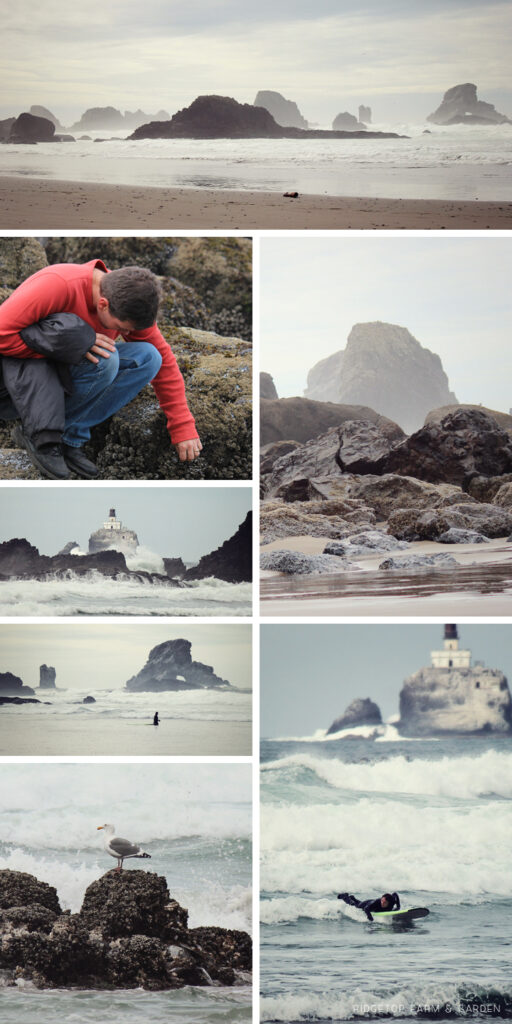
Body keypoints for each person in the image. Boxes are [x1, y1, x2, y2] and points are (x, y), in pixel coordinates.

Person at [0, 259, 202, 479]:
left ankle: (67, 437)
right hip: (17, 386)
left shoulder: (130, 298)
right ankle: (42, 434)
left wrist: (182, 426)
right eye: (121, 328)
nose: (124, 333)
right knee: (107, 360)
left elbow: (165, 361)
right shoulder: (58, 284)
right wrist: (70, 347)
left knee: (149, 358)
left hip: (60, 376)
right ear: (103, 304)